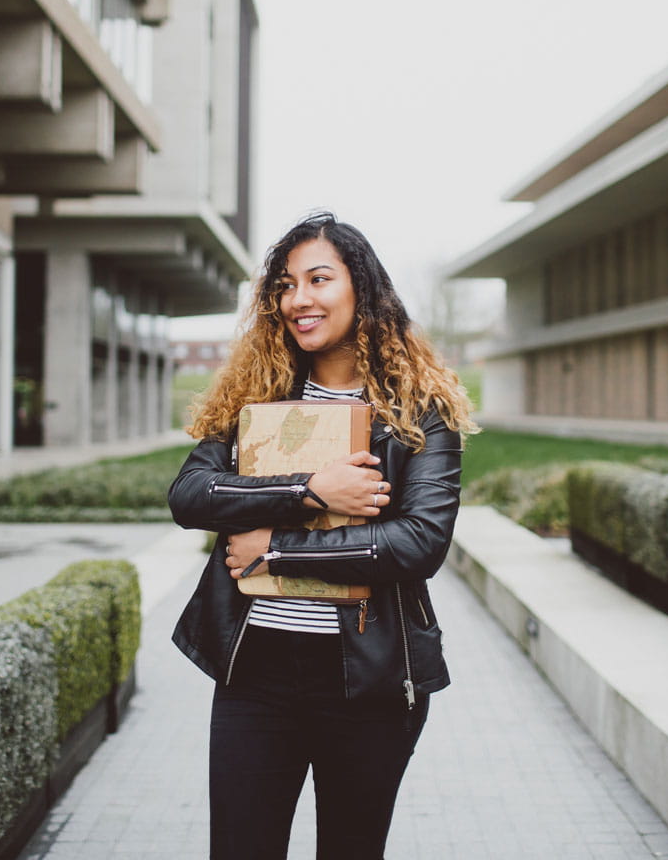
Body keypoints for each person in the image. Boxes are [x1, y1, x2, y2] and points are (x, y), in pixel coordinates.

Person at [168, 211, 477, 860]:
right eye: (285, 285)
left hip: (368, 679)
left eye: (318, 279)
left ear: (361, 289)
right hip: (256, 675)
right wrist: (312, 489)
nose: (298, 299)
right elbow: (191, 495)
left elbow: (419, 543)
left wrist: (274, 549)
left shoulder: (420, 410)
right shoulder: (257, 396)